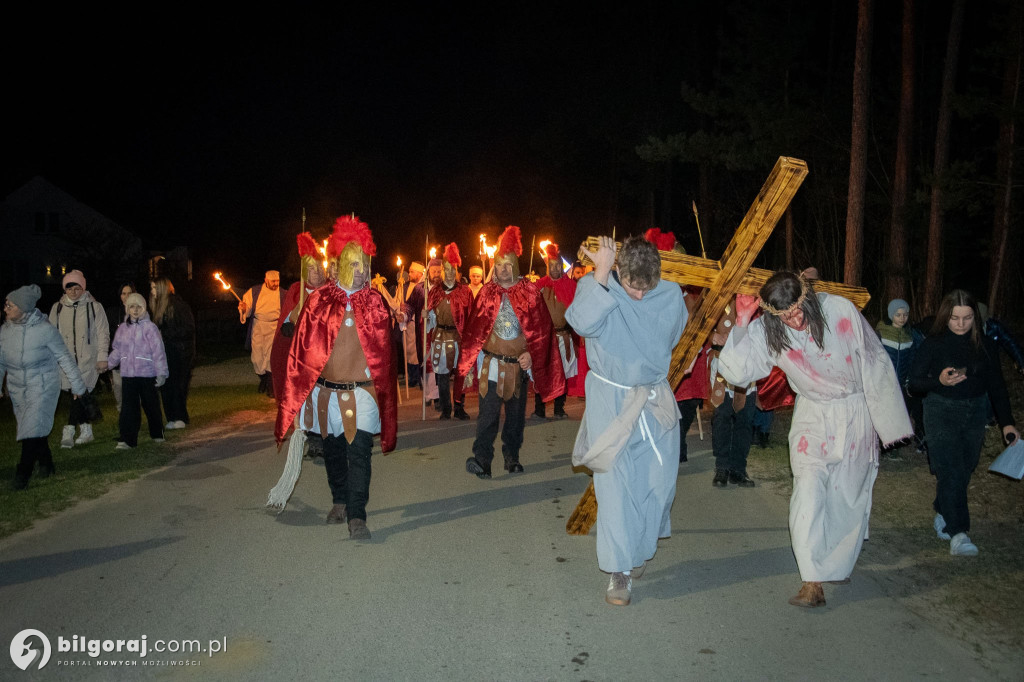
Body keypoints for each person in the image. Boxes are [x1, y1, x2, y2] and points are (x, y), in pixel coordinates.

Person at [717, 271, 911, 608]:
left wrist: (888, 422)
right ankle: (811, 580)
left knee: (847, 496)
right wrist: (744, 322)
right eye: (785, 315)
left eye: (797, 310)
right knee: (807, 489)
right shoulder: (768, 329)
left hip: (854, 412)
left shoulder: (839, 311)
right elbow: (737, 371)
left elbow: (875, 361)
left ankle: (836, 564)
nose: (795, 319)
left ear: (806, 298)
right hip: (813, 416)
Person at [566, 235, 686, 606]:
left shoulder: (670, 294)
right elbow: (581, 322)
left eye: (645, 287)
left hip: (653, 400)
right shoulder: (597, 285)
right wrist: (600, 274)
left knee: (659, 483)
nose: (637, 295)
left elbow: (675, 333)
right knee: (615, 488)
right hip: (611, 399)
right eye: (632, 287)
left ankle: (638, 549)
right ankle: (619, 573)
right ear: (618, 270)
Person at [275, 215, 398, 540]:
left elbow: (386, 352)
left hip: (363, 395)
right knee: (332, 453)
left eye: (365, 265)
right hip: (326, 395)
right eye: (355, 265)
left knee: (359, 453)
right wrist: (302, 395)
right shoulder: (318, 302)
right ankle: (340, 499)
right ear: (342, 265)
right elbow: (301, 352)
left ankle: (357, 515)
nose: (362, 271)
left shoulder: (374, 302)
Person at [909, 290, 1019, 557]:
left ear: (976, 317)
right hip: (940, 410)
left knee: (964, 468)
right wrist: (940, 381)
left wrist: (1007, 424)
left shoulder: (985, 345)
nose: (960, 324)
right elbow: (914, 383)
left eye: (967, 318)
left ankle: (942, 509)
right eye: (955, 318)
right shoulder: (934, 343)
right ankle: (959, 533)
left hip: (975, 412)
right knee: (952, 470)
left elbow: (997, 386)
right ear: (946, 316)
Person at [460, 225, 565, 478]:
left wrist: (531, 353)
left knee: (516, 419)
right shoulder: (487, 292)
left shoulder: (529, 292)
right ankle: (482, 460)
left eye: (508, 265)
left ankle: (512, 457)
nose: (503, 270)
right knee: (487, 417)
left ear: (515, 266)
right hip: (492, 366)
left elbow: (542, 330)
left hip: (518, 368)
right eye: (499, 265)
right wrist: (468, 366)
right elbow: (474, 332)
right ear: (494, 268)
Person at [2, 285, 87, 489]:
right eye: (6, 304)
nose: (5, 309)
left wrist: (78, 387)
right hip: (17, 388)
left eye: (10, 305)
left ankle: (22, 474)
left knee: (31, 428)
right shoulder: (5, 331)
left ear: (23, 308)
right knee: (31, 428)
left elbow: (64, 358)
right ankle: (47, 464)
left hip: (43, 385)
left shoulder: (45, 330)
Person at [49, 269, 109, 448]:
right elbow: (50, 335)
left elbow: (102, 333)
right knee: (77, 395)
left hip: (87, 360)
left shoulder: (94, 307)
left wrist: (102, 357)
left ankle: (68, 430)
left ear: (83, 288)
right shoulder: (57, 308)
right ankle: (86, 429)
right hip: (65, 362)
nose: (73, 292)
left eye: (77, 288)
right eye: (69, 288)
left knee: (78, 393)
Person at [271, 232, 327, 403]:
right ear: (304, 272)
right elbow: (287, 317)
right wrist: (288, 324)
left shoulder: (331, 290)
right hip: (301, 351)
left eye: (319, 267)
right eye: (311, 269)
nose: (316, 272)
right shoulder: (297, 290)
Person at [107, 293, 167, 449]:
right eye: (131, 306)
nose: (135, 310)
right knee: (129, 408)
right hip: (128, 375)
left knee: (151, 405)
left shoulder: (150, 328)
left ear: (144, 308)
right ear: (127, 308)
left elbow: (158, 352)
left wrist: (161, 373)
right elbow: (118, 350)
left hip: (147, 374)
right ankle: (128, 439)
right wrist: (107, 364)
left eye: (138, 307)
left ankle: (157, 432)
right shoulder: (123, 329)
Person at [709, 299, 757, 487]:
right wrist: (712, 335)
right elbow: (698, 324)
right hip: (722, 365)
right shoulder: (717, 298)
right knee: (722, 418)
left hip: (748, 367)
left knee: (745, 420)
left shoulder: (757, 302)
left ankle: (738, 469)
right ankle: (722, 468)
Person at [427, 243, 473, 420]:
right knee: (443, 377)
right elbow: (431, 317)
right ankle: (446, 409)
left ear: (457, 271)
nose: (450, 273)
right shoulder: (435, 292)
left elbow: (471, 317)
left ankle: (459, 408)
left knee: (461, 375)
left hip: (458, 338)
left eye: (453, 270)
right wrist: (427, 314)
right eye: (447, 270)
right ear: (443, 271)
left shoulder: (465, 291)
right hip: (440, 338)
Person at [532, 242, 577, 420]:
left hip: (563, 336)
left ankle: (559, 409)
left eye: (558, 265)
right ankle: (539, 409)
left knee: (562, 374)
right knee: (542, 373)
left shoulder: (572, 286)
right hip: (545, 338)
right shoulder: (539, 286)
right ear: (547, 266)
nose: (556, 268)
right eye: (552, 266)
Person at [876, 298, 925, 451]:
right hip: (883, 382)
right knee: (883, 414)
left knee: (898, 414)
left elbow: (914, 357)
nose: (902, 318)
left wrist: (910, 377)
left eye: (905, 315)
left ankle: (893, 446)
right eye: (898, 315)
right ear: (891, 315)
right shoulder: (881, 333)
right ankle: (880, 445)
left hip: (902, 381)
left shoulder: (910, 335)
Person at [150, 278, 195, 429]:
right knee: (166, 384)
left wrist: (165, 334)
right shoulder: (158, 308)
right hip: (166, 352)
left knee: (177, 385)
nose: (152, 291)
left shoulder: (178, 305)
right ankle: (171, 417)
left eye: (155, 288)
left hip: (180, 352)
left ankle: (180, 417)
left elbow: (188, 328)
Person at [239, 270, 284, 396]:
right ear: (266, 280)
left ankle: (270, 387)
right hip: (258, 326)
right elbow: (246, 309)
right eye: (273, 281)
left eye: (277, 281)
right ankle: (263, 380)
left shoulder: (282, 293)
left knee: (270, 356)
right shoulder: (254, 291)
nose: (275, 284)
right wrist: (244, 309)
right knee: (257, 358)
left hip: (274, 327)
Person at [104, 282, 135, 412]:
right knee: (118, 385)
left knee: (132, 385)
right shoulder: (113, 313)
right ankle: (121, 407)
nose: (126, 296)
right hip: (119, 356)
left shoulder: (140, 311)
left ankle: (132, 408)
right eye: (124, 293)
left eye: (129, 293)